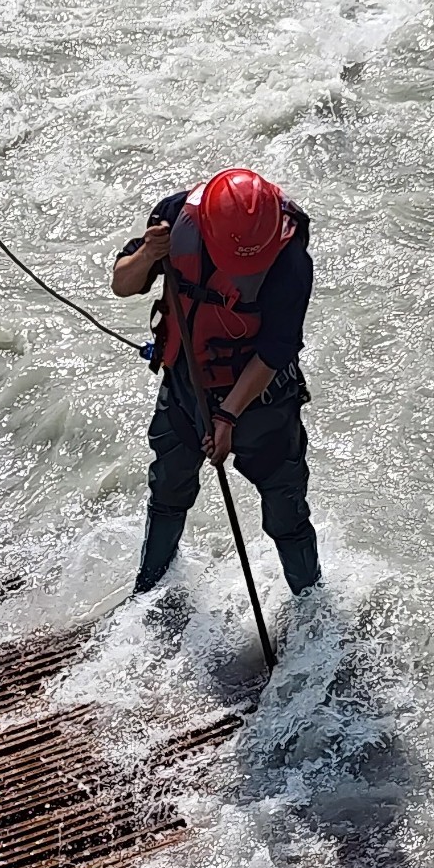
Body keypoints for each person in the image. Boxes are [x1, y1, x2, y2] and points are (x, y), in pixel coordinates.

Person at [112, 167, 320, 597]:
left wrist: (227, 416)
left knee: (286, 510)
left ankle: (310, 603)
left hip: (263, 399)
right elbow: (122, 284)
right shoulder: (176, 217)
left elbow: (276, 350)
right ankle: (148, 591)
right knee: (168, 490)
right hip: (185, 386)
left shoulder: (290, 258)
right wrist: (148, 254)